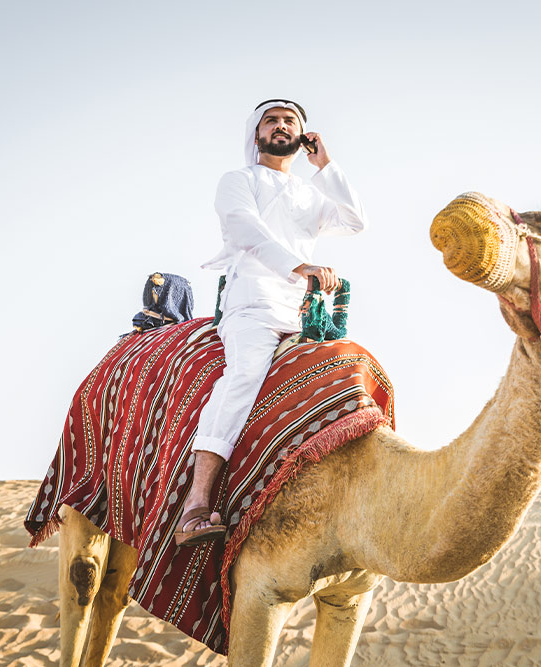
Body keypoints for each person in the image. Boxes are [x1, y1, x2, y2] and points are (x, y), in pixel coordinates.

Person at [174, 99, 368, 545]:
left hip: (302, 310)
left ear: (302, 137)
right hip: (253, 303)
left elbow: (356, 221)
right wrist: (300, 267)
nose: (281, 126)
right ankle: (195, 505)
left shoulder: (313, 194)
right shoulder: (239, 180)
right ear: (256, 133)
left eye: (290, 122)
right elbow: (244, 228)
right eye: (272, 120)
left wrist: (326, 165)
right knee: (243, 377)